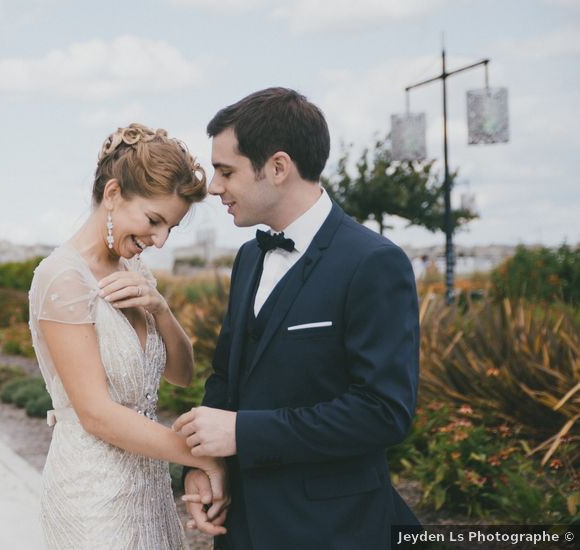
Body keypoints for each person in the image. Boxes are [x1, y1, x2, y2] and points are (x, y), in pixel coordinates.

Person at [174, 88, 421, 548]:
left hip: (333, 529)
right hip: (241, 527)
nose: (213, 186)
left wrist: (243, 433)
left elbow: (384, 412)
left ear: (279, 168)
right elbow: (227, 377)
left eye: (226, 171)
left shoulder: (373, 263)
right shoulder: (248, 258)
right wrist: (202, 468)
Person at [28, 123, 227, 549]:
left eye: (169, 229)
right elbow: (97, 414)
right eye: (154, 220)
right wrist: (201, 456)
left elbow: (182, 374)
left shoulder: (133, 270)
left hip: (150, 486)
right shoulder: (62, 277)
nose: (158, 240)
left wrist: (161, 308)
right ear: (114, 194)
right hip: (92, 496)